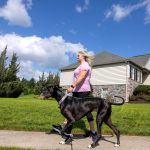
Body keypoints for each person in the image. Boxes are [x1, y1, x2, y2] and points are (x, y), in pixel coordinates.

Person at [52, 50, 96, 137]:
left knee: (80, 111)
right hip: (78, 90)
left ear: (83, 56)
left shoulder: (85, 65)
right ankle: (66, 128)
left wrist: (72, 86)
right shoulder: (81, 65)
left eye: (78, 55)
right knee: (76, 110)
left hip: (82, 91)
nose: (77, 56)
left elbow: (81, 77)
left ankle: (65, 127)